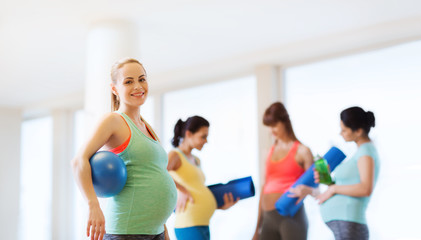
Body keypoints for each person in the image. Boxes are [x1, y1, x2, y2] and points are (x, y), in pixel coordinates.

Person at [71, 58, 177, 240]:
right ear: (115, 89)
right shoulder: (113, 121)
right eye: (129, 81)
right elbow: (79, 161)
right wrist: (93, 205)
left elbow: (152, 175)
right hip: (127, 231)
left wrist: (163, 229)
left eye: (142, 79)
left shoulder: (147, 126)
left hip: (155, 231)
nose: (138, 86)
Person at [167, 116, 238, 240]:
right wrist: (181, 190)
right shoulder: (175, 155)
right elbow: (160, 173)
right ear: (189, 134)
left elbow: (197, 190)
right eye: (203, 136)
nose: (206, 141)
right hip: (189, 223)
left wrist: (219, 205)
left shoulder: (196, 160)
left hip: (203, 223)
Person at [315, 106, 379, 240]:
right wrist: (327, 179)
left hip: (349, 225)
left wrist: (333, 189)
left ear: (358, 131)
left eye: (344, 130)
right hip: (346, 225)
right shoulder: (362, 152)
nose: (340, 133)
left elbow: (365, 188)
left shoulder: (365, 152)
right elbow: (350, 186)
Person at [253, 102, 315, 240]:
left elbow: (313, 185)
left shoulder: (302, 151)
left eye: (274, 125)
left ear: (285, 122)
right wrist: (257, 228)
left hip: (291, 218)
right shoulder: (268, 152)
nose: (271, 130)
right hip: (268, 219)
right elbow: (264, 187)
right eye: (268, 126)